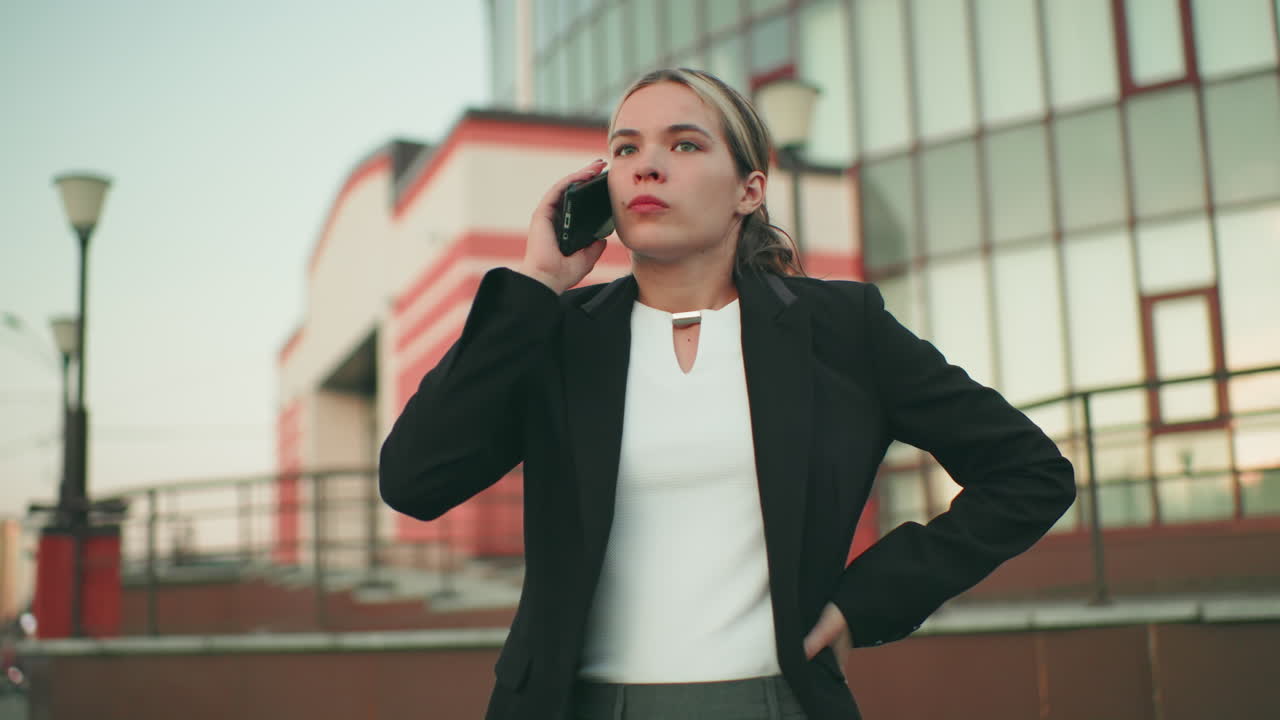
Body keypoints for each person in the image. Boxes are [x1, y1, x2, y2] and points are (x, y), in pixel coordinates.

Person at [379, 68, 1076, 720]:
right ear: (604, 187)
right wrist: (535, 283)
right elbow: (416, 480)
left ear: (750, 189)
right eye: (626, 149)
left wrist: (864, 603)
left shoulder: (839, 328)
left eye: (684, 143)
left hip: (774, 700)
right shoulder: (555, 333)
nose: (648, 164)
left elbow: (1029, 474)